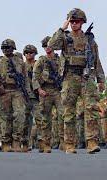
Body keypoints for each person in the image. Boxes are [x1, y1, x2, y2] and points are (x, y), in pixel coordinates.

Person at [48, 8, 105, 154]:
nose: (74, 24)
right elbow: (51, 45)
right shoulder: (65, 37)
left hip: (86, 77)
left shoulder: (89, 39)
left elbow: (96, 60)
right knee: (69, 111)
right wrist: (62, 27)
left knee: (91, 109)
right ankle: (69, 144)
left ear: (82, 22)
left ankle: (92, 143)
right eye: (72, 21)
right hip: (69, 77)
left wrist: (101, 79)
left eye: (76, 21)